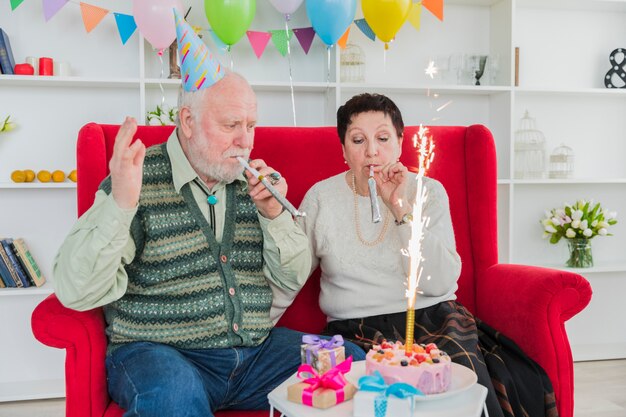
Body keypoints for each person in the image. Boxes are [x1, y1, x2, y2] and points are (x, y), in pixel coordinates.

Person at [52, 70, 365, 417]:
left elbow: (292, 277)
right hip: (159, 351)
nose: (245, 141)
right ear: (188, 121)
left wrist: (274, 215)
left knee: (352, 365)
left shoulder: (256, 187)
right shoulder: (134, 180)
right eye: (231, 125)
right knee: (174, 397)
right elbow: (75, 290)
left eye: (250, 125)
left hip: (255, 356)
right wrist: (121, 205)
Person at [296, 93, 557, 417]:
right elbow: (291, 271)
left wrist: (401, 209)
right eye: (358, 140)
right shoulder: (321, 197)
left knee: (462, 390)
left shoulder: (428, 192)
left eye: (382, 138)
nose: (372, 151)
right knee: (376, 399)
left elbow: (440, 281)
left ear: (400, 142)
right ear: (344, 149)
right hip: (355, 328)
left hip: (434, 316)